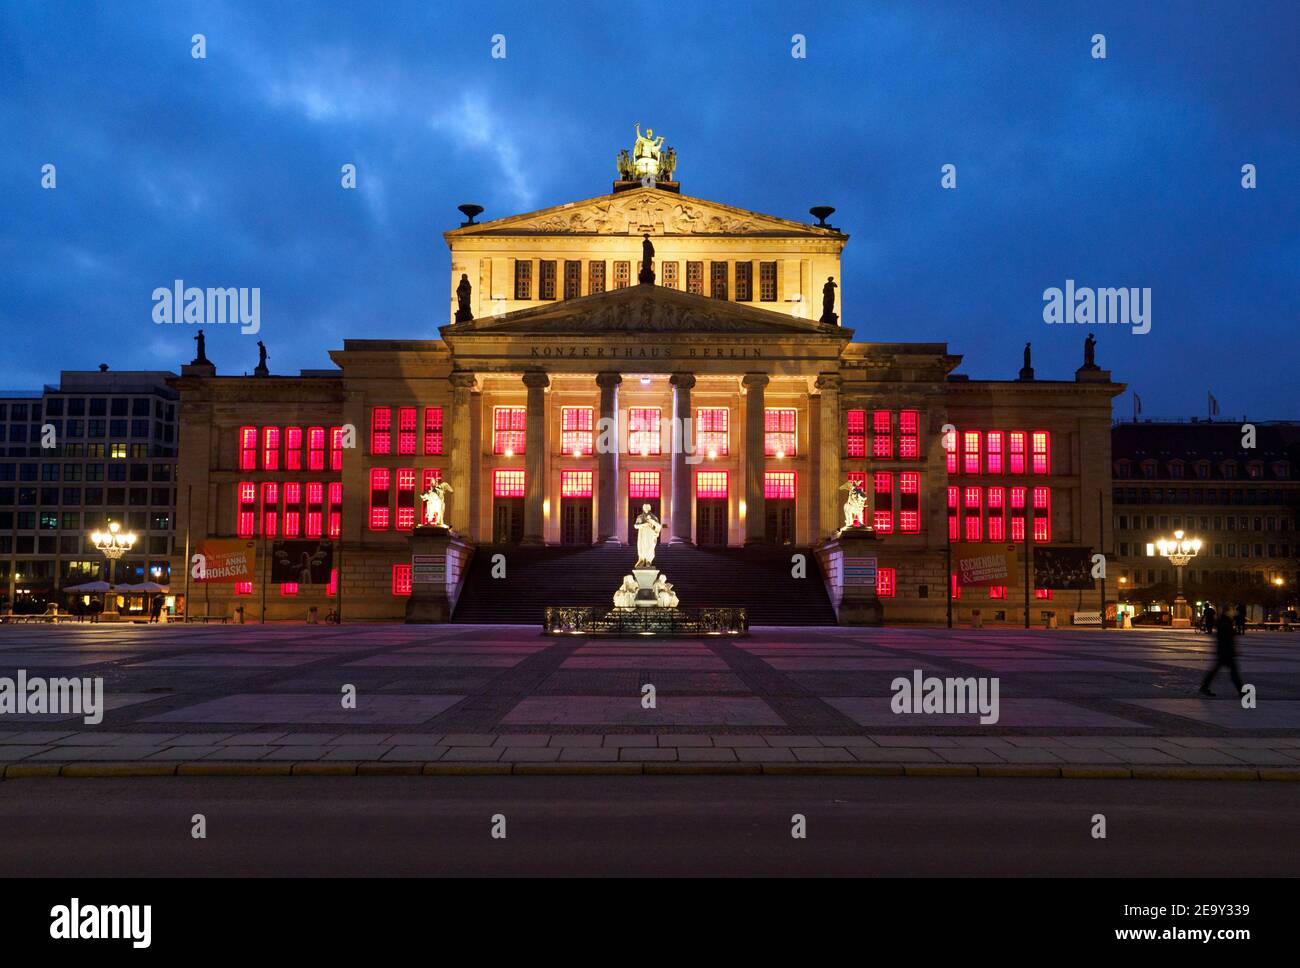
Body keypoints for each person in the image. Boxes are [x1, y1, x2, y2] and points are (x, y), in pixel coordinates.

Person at [1200, 609, 1245, 697]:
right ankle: (1241, 691)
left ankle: (1204, 686)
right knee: (1233, 672)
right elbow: (1228, 637)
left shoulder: (1223, 622)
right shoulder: (1225, 624)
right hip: (1226, 652)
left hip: (1223, 651)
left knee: (1217, 671)